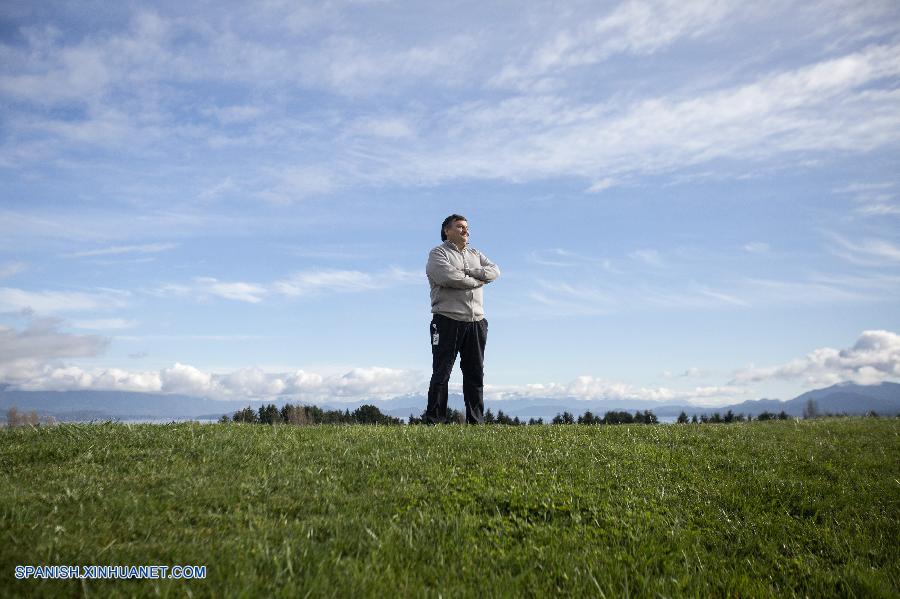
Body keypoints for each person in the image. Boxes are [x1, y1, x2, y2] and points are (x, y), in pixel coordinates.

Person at [425, 214, 500, 424]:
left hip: (476, 322)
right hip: (447, 319)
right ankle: (435, 421)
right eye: (460, 227)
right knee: (442, 372)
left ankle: (476, 422)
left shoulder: (475, 253)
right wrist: (477, 281)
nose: (466, 230)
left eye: (467, 227)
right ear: (446, 231)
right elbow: (448, 277)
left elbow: (495, 271)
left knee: (475, 373)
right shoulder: (438, 253)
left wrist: (469, 271)